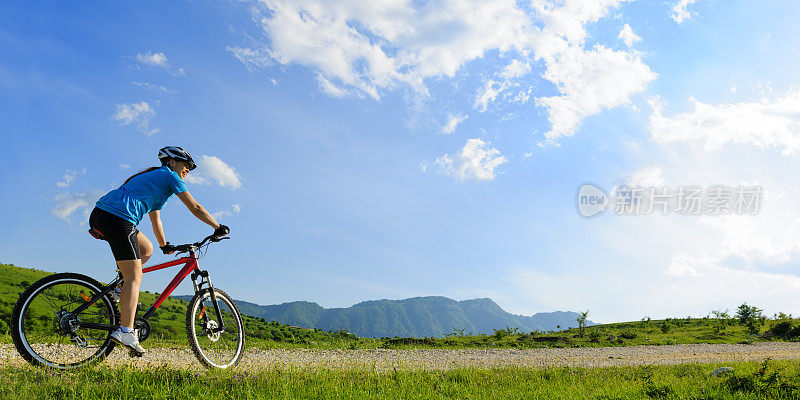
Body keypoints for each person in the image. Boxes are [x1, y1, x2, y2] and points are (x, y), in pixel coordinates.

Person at [88, 146, 229, 354]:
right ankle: (126, 330)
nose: (188, 169)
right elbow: (195, 207)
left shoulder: (155, 181)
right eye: (185, 164)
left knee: (147, 249)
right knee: (135, 277)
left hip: (103, 214)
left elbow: (156, 220)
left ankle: (119, 289)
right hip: (119, 218)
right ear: (171, 162)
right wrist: (217, 227)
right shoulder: (170, 176)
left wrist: (164, 246)